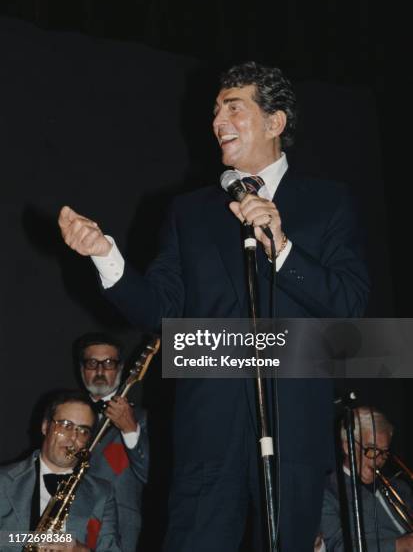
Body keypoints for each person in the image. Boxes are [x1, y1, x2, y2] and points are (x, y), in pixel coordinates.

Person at [58, 61, 370, 551]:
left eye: (233, 107)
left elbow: (350, 307)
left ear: (275, 123)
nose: (217, 121)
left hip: (294, 431)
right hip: (207, 433)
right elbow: (161, 308)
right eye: (215, 110)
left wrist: (282, 249)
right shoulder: (189, 212)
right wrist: (106, 256)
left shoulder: (329, 203)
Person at [0, 390, 121, 552]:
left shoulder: (102, 493)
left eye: (83, 431)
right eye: (66, 426)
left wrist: (81, 550)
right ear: (45, 426)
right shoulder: (3, 481)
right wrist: (33, 538)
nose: (73, 437)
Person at [74, 331, 149, 552]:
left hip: (119, 535)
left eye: (108, 363)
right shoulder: (65, 416)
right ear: (82, 370)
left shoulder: (144, 419)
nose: (99, 371)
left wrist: (130, 429)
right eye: (92, 363)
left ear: (121, 368)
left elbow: (153, 477)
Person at [321, 407, 413, 551]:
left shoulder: (401, 487)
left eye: (384, 452)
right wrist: (400, 545)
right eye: (372, 449)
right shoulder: (328, 493)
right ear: (347, 446)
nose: (379, 460)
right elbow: (339, 548)